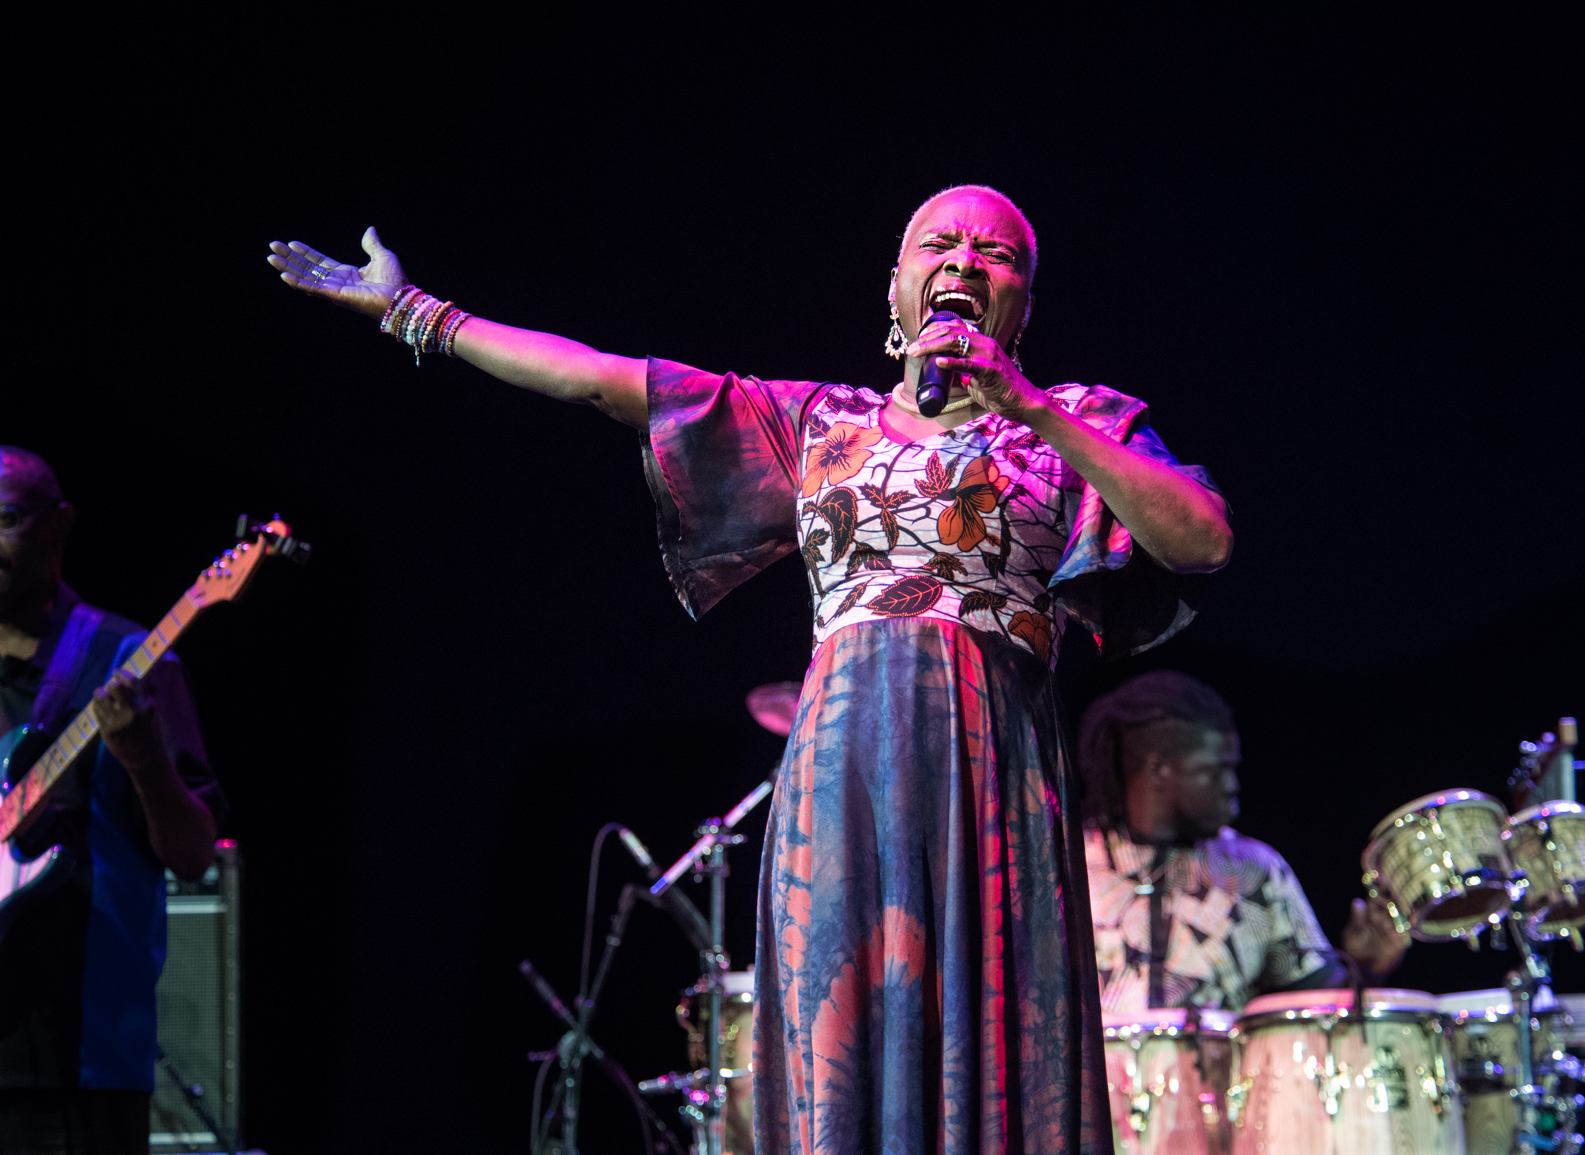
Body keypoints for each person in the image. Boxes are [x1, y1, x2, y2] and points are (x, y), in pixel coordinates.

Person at [267, 184, 1233, 1155]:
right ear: (894, 289)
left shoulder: (1075, 421)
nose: (965, 264)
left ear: (1023, 305)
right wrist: (412, 312)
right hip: (840, 776)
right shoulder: (817, 424)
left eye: (998, 254)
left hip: (991, 776)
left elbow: (1200, 540)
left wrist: (1024, 405)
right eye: (940, 245)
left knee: (987, 1051)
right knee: (837, 1053)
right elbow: (598, 379)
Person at [0, 447, 224, 1154]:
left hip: (79, 1061)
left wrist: (146, 759)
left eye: (3, 519)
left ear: (59, 526)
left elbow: (192, 855)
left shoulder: (130, 658)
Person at [1078, 671, 1408, 1017]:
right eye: (1215, 771)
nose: (1232, 785)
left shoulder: (1254, 869)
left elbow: (1317, 1018)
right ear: (1158, 769)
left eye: (1233, 768)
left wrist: (1366, 967)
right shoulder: (1067, 868)